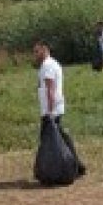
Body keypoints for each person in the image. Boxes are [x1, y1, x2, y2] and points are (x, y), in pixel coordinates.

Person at [33, 40, 86, 176]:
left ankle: (50, 169)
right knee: (60, 136)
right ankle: (76, 165)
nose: (35, 54)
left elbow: (51, 89)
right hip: (53, 108)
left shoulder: (48, 65)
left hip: (51, 110)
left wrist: (50, 112)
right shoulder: (49, 64)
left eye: (37, 51)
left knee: (48, 138)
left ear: (45, 49)